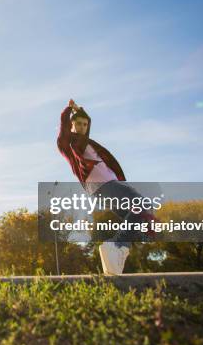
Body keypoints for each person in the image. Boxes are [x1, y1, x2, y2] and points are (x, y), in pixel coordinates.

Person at [56, 99, 154, 274]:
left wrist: (81, 110)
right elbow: (63, 130)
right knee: (142, 204)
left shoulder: (88, 142)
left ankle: (116, 255)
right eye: (78, 124)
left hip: (111, 186)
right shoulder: (68, 145)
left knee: (139, 219)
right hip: (103, 187)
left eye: (85, 124)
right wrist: (68, 110)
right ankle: (116, 245)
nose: (82, 127)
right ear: (71, 125)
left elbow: (87, 122)